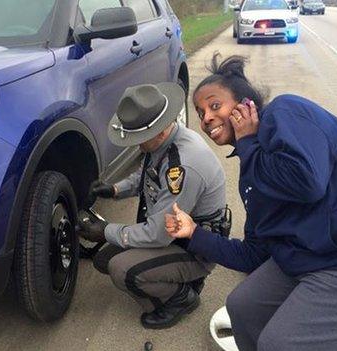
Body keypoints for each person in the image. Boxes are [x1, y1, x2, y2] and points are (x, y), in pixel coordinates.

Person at [164, 54, 337, 351]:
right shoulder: (252, 174)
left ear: (246, 104)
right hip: (325, 253)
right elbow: (255, 254)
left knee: (281, 343)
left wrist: (247, 143)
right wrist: (193, 235)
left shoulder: (286, 112)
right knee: (242, 307)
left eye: (215, 105)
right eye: (201, 112)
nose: (206, 118)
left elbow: (307, 183)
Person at [79, 82, 229, 329]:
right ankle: (174, 278)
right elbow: (146, 174)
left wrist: (104, 230)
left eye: (139, 138)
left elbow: (158, 234)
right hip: (174, 234)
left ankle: (182, 298)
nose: (135, 143)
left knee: (121, 269)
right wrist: (115, 189)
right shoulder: (165, 140)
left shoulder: (183, 166)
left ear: (158, 131)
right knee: (104, 259)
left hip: (195, 247)